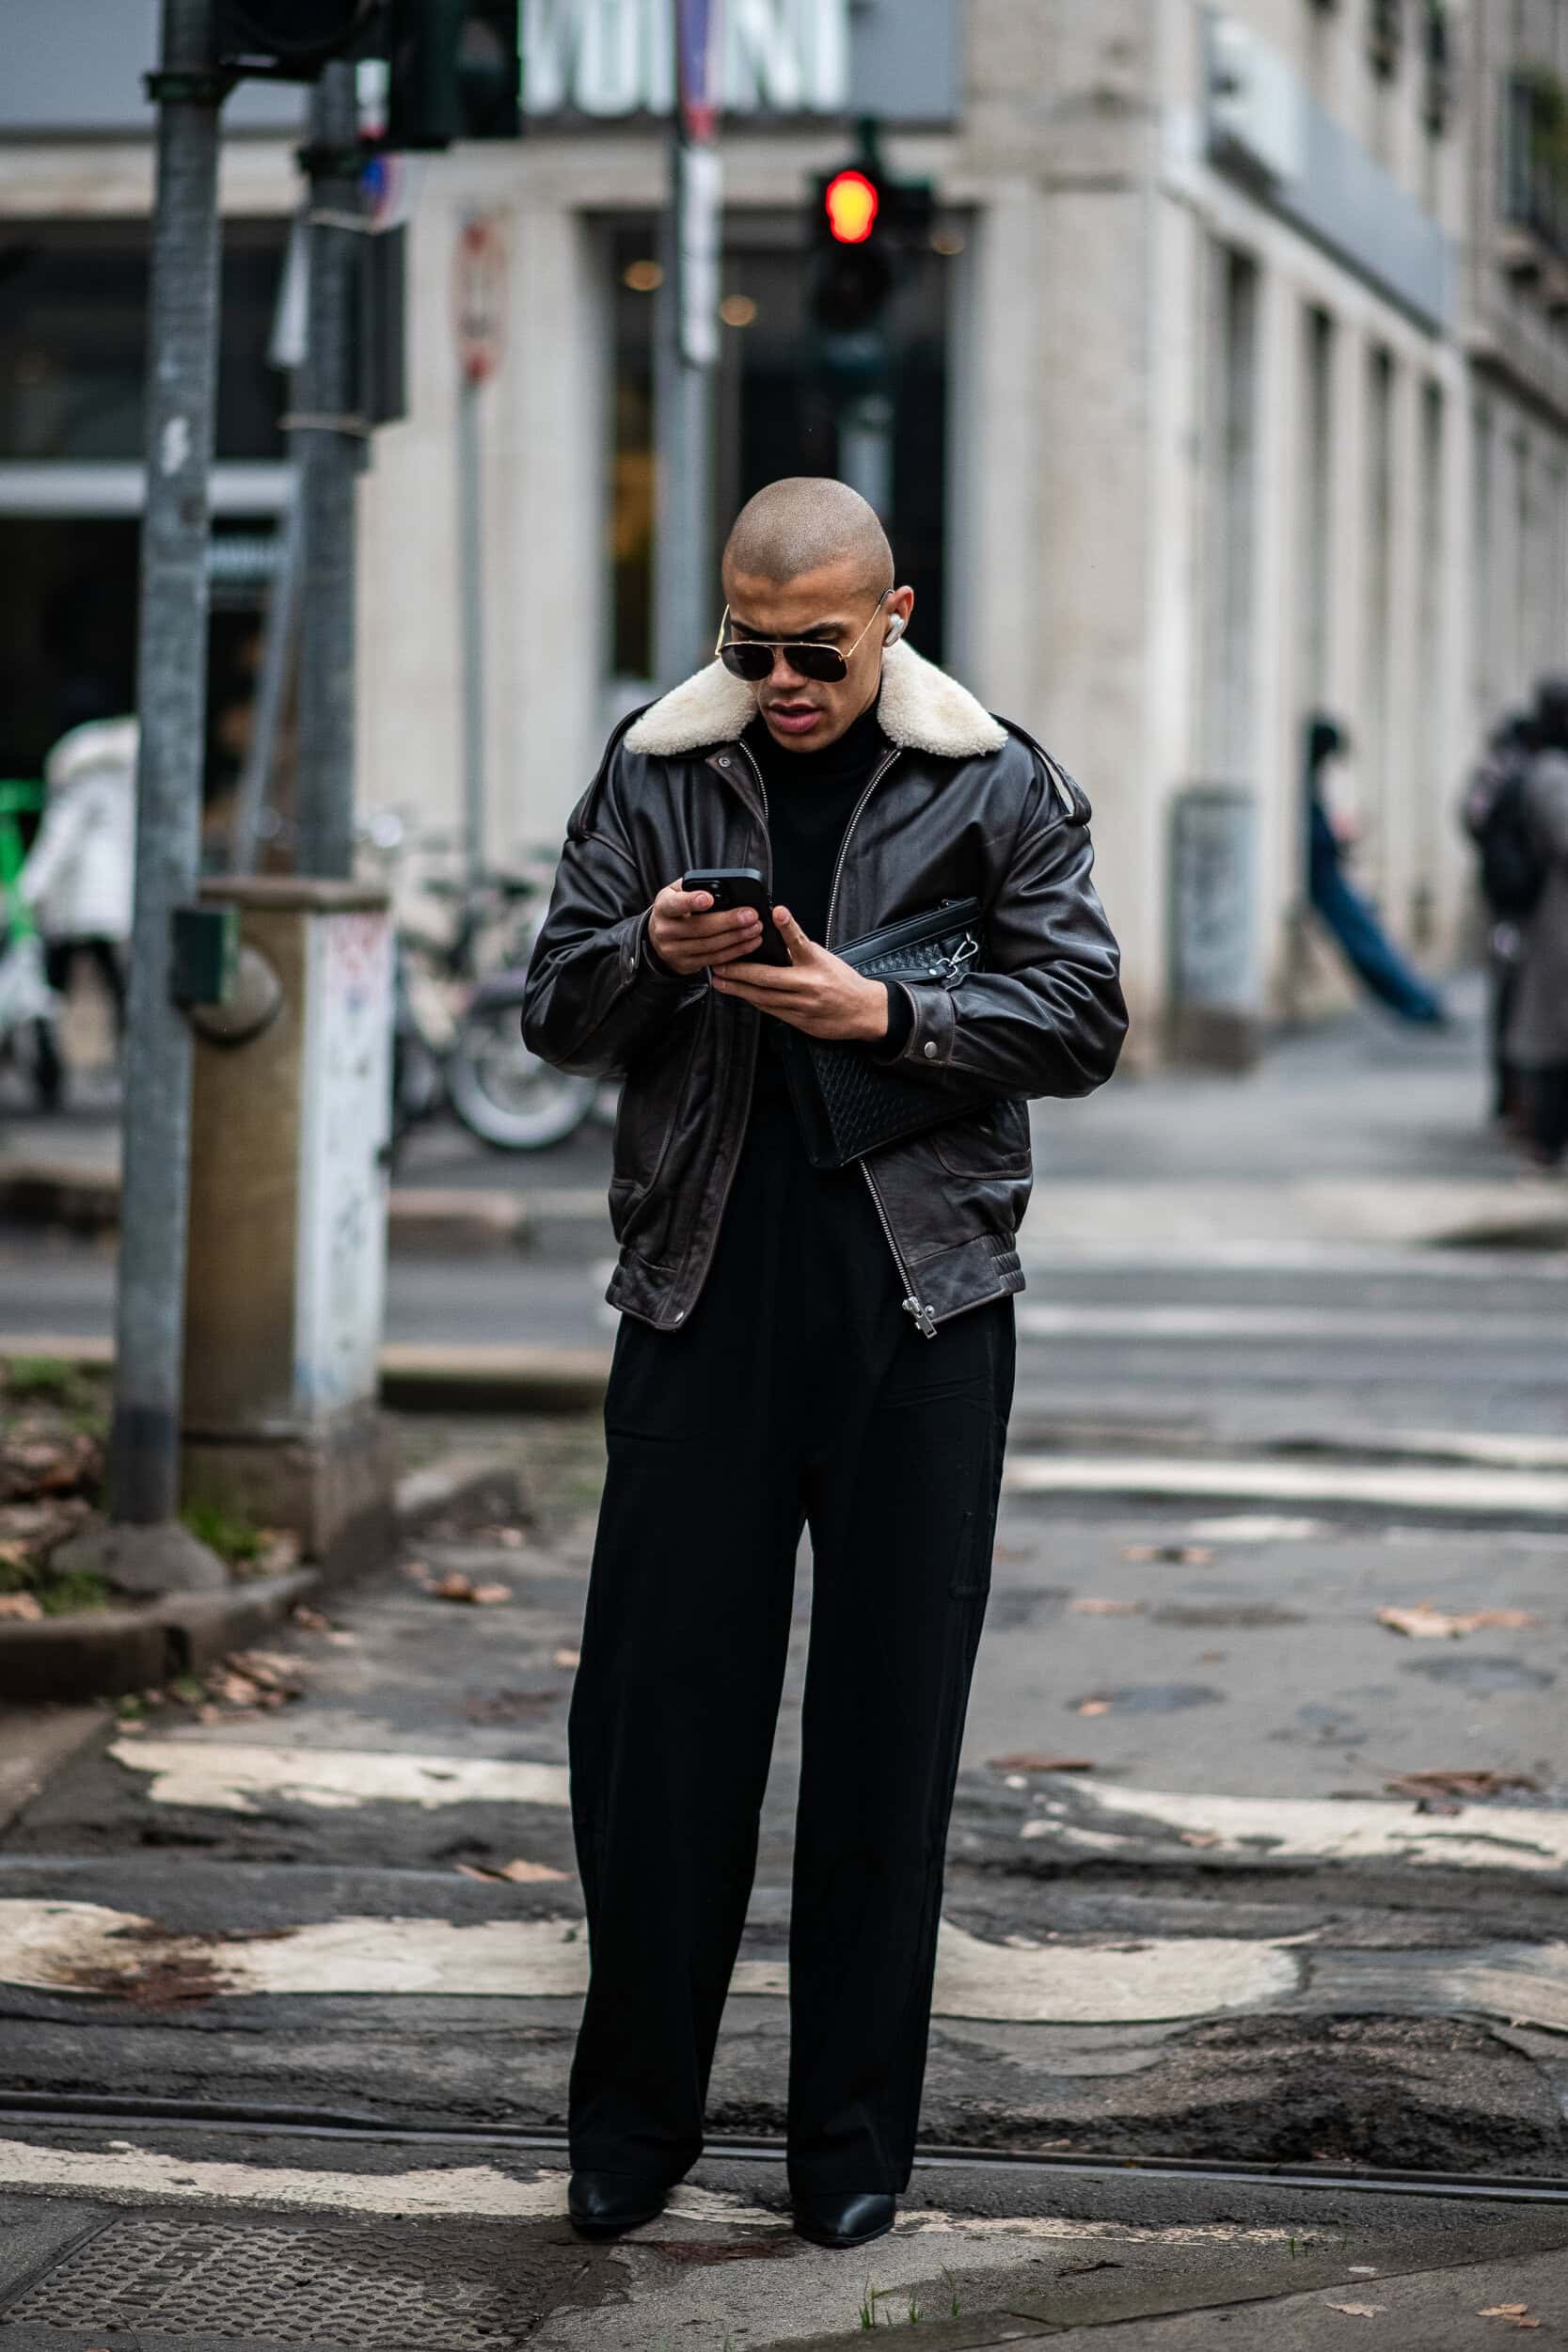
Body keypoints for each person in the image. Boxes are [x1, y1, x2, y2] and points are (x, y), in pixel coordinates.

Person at [522, 478, 1126, 2252]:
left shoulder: (996, 779)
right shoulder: (648, 769)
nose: (780, 682)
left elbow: (1083, 1013)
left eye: (817, 650)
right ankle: (632, 2131)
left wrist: (892, 1015)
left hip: (920, 1309)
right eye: (750, 645)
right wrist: (646, 955)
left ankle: (849, 2144)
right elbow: (552, 1009)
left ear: (892, 616)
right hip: (697, 1297)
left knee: (884, 1737)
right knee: (657, 1740)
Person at [20, 711, 137, 1107]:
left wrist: (26, 890)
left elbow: (58, 843)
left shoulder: (83, 790)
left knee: (53, 987)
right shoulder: (126, 791)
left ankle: (49, 1069)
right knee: (117, 986)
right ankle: (131, 1061)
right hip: (113, 909)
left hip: (75, 910)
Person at [1303, 715, 1447, 1026]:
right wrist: (1338, 837)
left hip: (1329, 877)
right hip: (1324, 880)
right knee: (1367, 941)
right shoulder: (1302, 785)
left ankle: (1418, 1002)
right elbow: (1314, 838)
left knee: (1370, 938)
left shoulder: (1307, 783)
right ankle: (1417, 1004)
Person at [1460, 710, 1538, 1127]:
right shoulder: (1518, 776)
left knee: (1511, 999)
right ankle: (1515, 1098)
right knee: (1517, 1001)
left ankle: (1511, 1097)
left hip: (1508, 909)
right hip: (1518, 910)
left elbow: (1470, 821)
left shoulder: (1497, 774)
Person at [1504, 675, 1568, 1168]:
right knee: (1549, 1031)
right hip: (1554, 921)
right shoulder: (1551, 774)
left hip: (1551, 921)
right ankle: (1542, 1138)